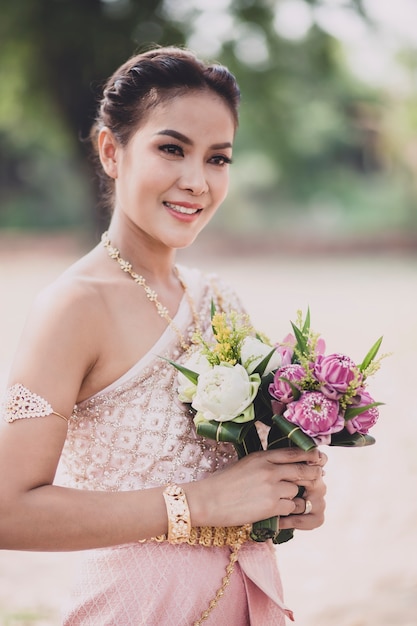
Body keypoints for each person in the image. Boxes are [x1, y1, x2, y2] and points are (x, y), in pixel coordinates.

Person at [0, 46, 327, 625]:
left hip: (247, 600)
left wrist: (288, 493)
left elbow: (237, 467)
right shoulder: (74, 307)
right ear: (111, 150)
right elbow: (7, 510)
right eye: (171, 149)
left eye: (218, 158)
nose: (196, 181)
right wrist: (197, 505)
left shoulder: (219, 301)